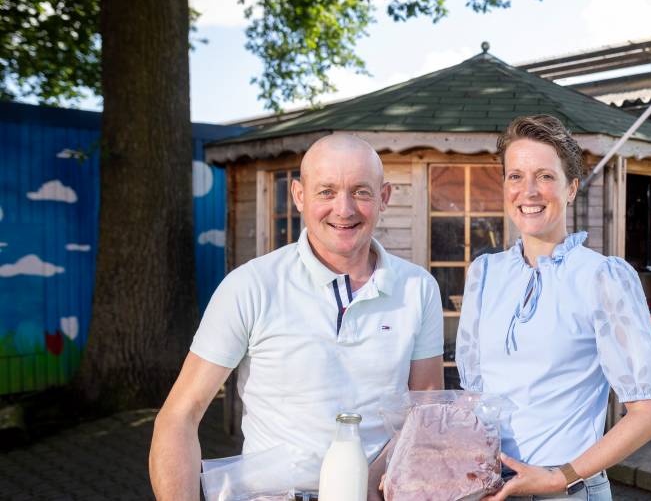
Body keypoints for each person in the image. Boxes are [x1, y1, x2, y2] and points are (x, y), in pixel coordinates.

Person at [150, 133, 444, 499]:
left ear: (383, 198)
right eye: (326, 192)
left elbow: (425, 409)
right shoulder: (251, 285)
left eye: (361, 192)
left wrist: (370, 484)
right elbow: (180, 415)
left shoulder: (418, 288)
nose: (344, 209)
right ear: (299, 196)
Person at [456, 115, 651, 501]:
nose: (529, 191)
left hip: (565, 491)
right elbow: (475, 399)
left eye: (545, 176)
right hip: (490, 488)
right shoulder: (484, 274)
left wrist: (559, 477)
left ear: (571, 188)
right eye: (515, 176)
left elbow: (650, 415)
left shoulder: (602, 278)